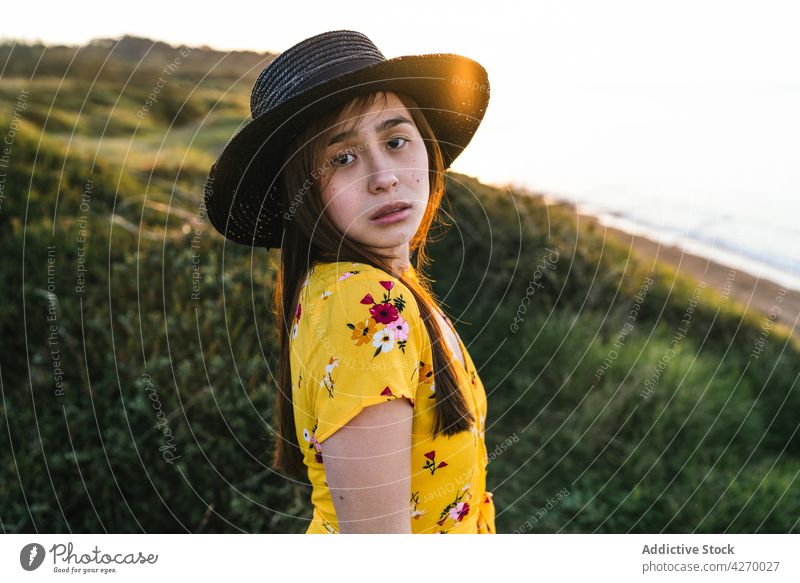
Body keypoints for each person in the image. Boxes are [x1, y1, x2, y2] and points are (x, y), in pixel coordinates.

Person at [203, 30, 494, 534]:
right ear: (301, 187)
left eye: (396, 140)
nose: (383, 177)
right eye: (342, 158)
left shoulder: (349, 287)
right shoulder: (367, 302)